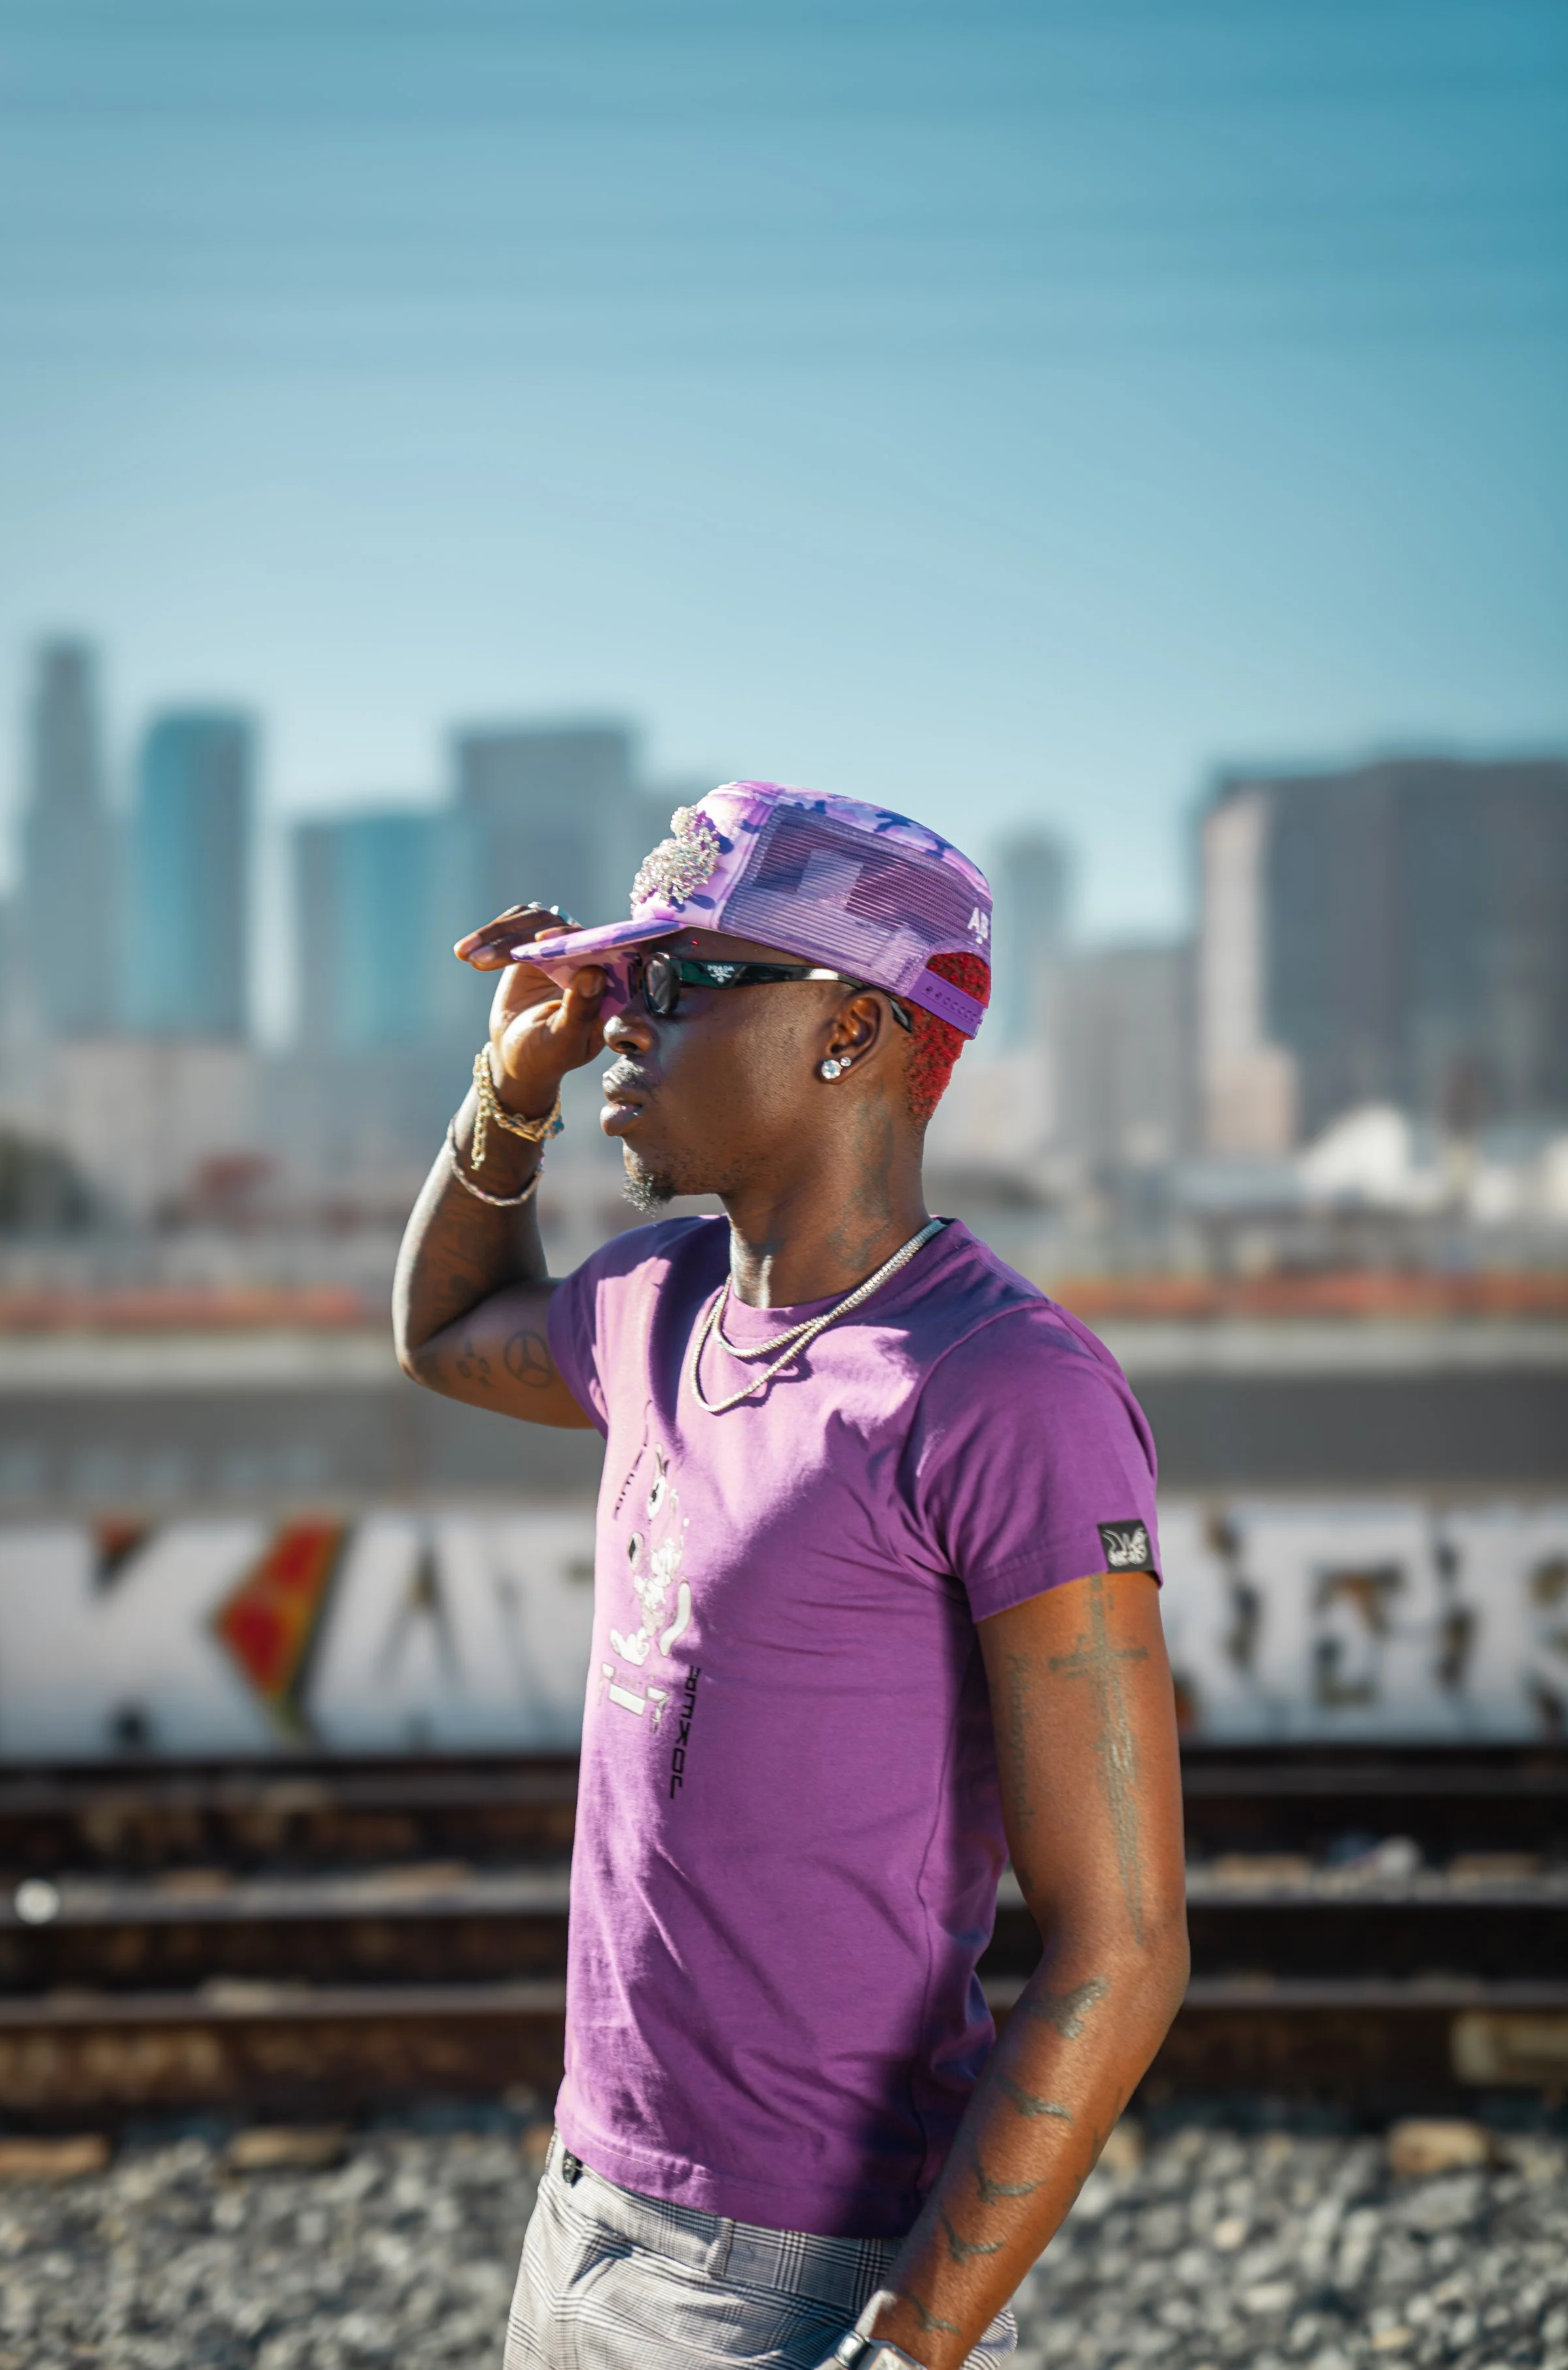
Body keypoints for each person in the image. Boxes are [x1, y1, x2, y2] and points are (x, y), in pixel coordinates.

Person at [393, 782, 1188, 2370]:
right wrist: (508, 1079)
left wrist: (907, 2345)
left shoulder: (1000, 1389)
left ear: (849, 1030)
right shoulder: (653, 1305)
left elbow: (1122, 1944)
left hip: (801, 2283)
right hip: (577, 2217)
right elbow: (437, 1333)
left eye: (675, 983)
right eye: (621, 983)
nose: (620, 1023)